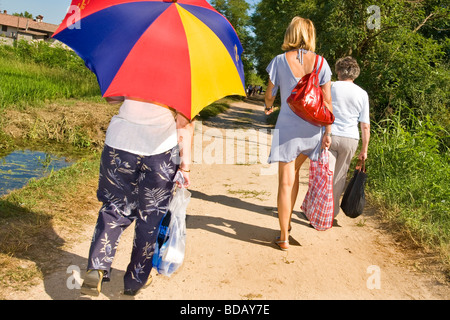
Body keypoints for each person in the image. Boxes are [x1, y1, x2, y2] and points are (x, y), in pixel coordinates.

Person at [80, 96, 194, 297]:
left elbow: (111, 99)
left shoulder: (131, 65)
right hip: (159, 151)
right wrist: (184, 167)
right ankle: (136, 279)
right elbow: (184, 123)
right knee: (150, 217)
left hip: (119, 146)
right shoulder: (182, 75)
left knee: (114, 207)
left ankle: (97, 266)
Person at [264, 17, 333, 250]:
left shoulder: (279, 61)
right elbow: (327, 102)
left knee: (285, 181)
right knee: (294, 174)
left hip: (288, 126)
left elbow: (270, 93)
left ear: (291, 33)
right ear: (311, 35)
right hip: (312, 127)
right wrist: (328, 132)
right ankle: (289, 224)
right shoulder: (322, 63)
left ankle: (283, 236)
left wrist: (268, 105)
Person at [328, 56, 370, 218]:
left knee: (324, 174)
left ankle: (318, 211)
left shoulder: (330, 86)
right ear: (355, 73)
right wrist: (364, 149)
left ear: (339, 71)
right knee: (339, 176)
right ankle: (332, 214)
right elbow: (365, 125)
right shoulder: (362, 94)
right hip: (350, 139)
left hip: (329, 135)